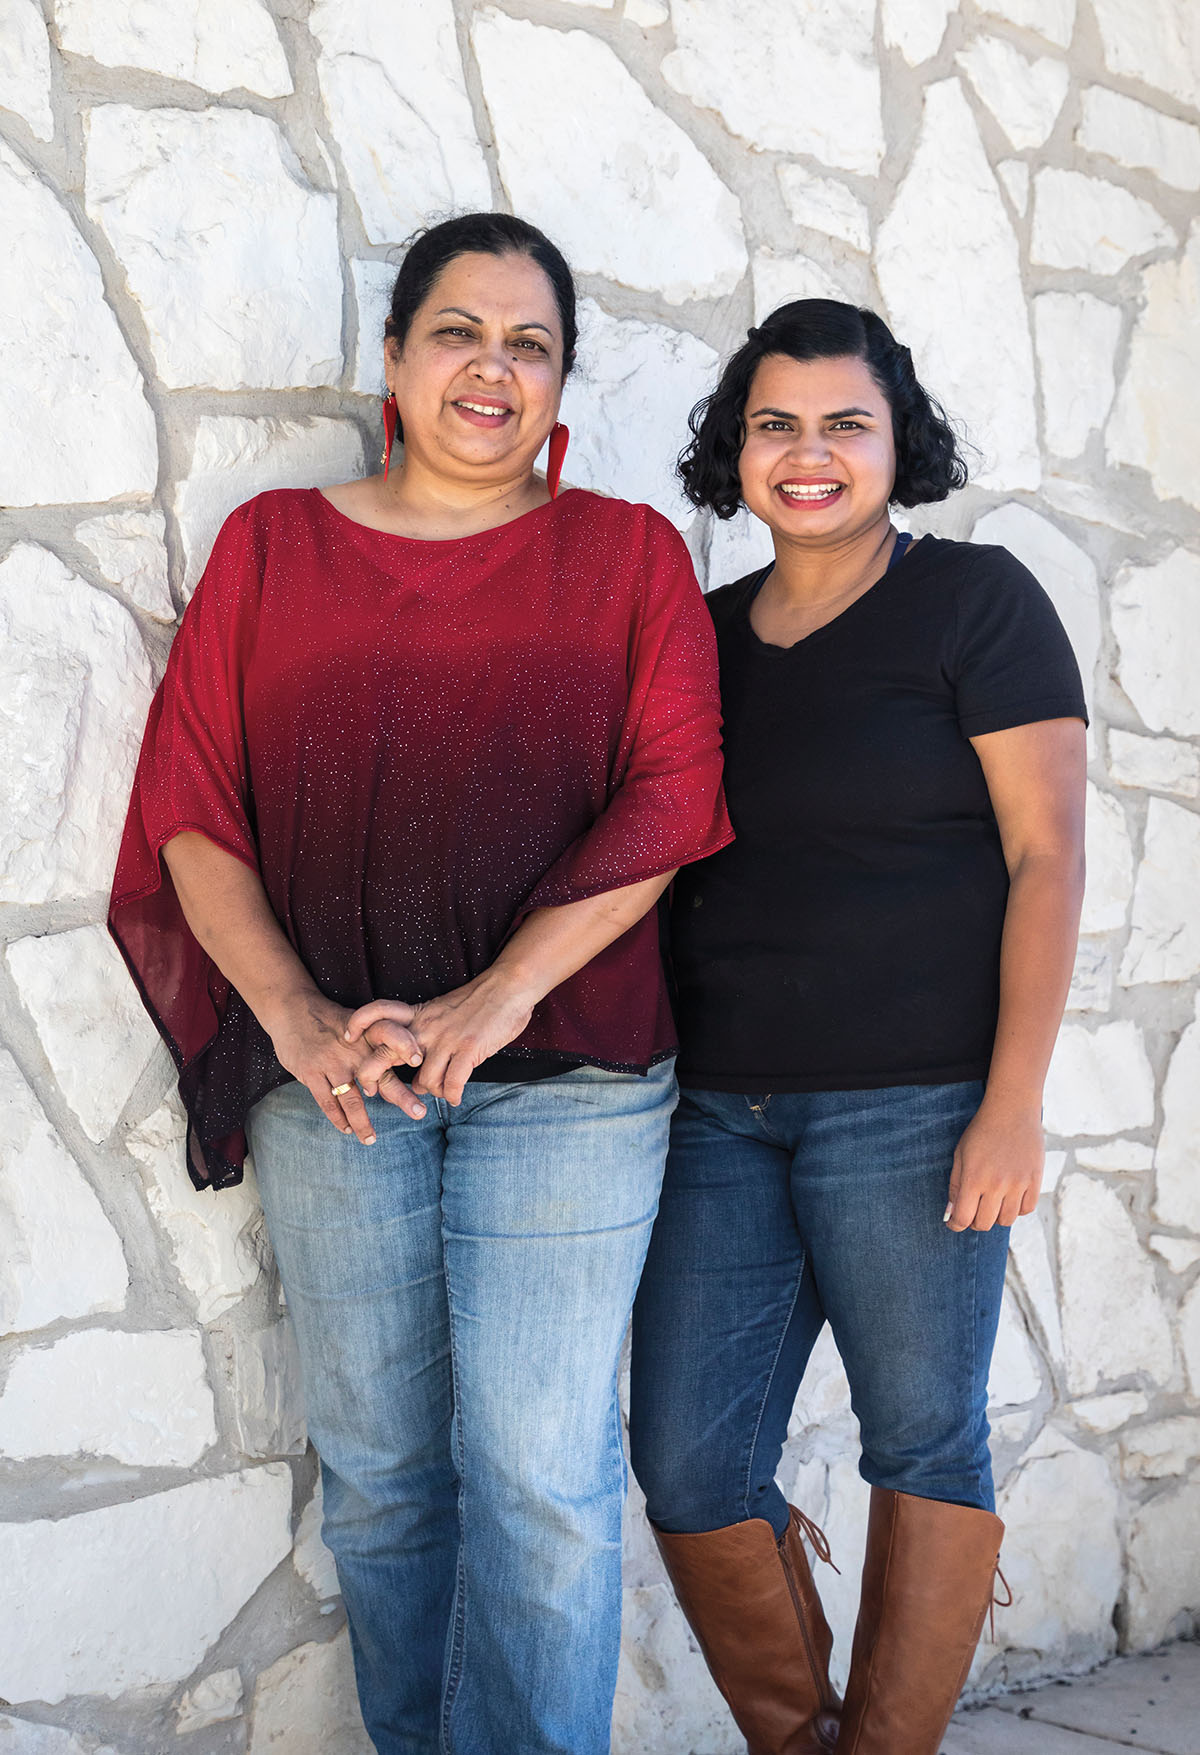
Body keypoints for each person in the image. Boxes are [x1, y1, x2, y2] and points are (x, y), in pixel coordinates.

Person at [109, 212, 731, 1755]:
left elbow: (672, 798)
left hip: (570, 1073)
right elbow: (193, 806)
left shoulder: (626, 556)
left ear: (561, 385)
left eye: (530, 343)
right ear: (394, 359)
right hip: (341, 1083)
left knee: (539, 1470)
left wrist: (495, 996)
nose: (492, 368)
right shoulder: (275, 548)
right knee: (384, 1473)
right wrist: (298, 1018)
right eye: (460, 331)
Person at [628, 299, 1087, 1755]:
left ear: (900, 443)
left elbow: (1049, 857)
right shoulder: (698, 640)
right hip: (719, 1112)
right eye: (775, 424)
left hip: (918, 1106)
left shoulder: (977, 601)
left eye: (844, 424)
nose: (807, 453)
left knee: (922, 1442)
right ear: (736, 449)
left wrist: (1011, 1104)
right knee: (691, 1460)